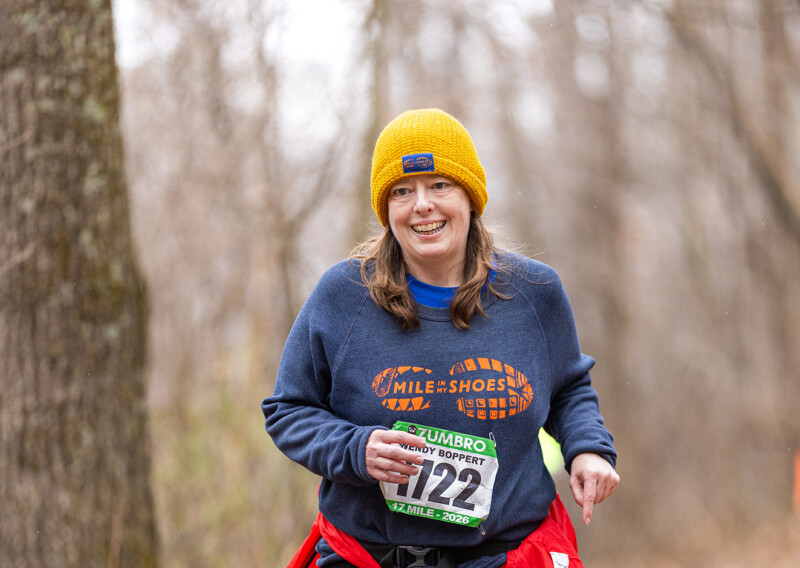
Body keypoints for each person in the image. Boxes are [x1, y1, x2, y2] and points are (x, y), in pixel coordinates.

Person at [262, 108, 619, 568]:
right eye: (402, 191)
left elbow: (567, 389)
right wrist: (355, 450)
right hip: (366, 555)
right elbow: (289, 410)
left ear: (470, 196)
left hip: (504, 554)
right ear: (386, 209)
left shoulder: (535, 292)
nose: (422, 205)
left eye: (439, 185)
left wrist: (587, 449)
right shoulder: (343, 296)